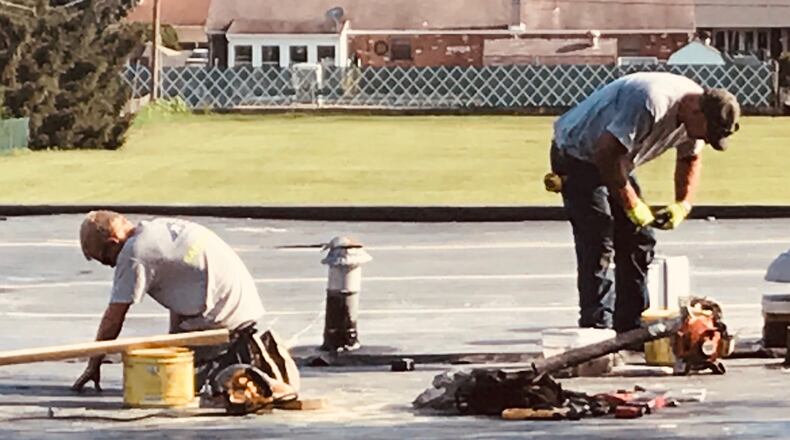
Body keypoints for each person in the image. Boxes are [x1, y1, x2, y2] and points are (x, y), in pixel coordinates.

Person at [547, 72, 740, 333]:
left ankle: (630, 325)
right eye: (709, 133)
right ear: (697, 112)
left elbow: (690, 159)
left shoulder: (696, 111)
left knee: (639, 239)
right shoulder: (651, 102)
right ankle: (597, 327)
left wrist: (682, 204)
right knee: (598, 238)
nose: (706, 140)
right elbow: (605, 153)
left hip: (619, 160)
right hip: (577, 154)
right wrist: (632, 204)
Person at [73, 211, 265, 392]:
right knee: (168, 361)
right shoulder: (158, 229)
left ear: (113, 242)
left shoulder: (134, 253)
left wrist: (94, 363)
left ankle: (226, 361)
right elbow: (182, 287)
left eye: (108, 260)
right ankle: (231, 352)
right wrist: (174, 341)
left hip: (221, 320)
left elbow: (114, 318)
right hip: (242, 305)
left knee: (164, 385)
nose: (113, 266)